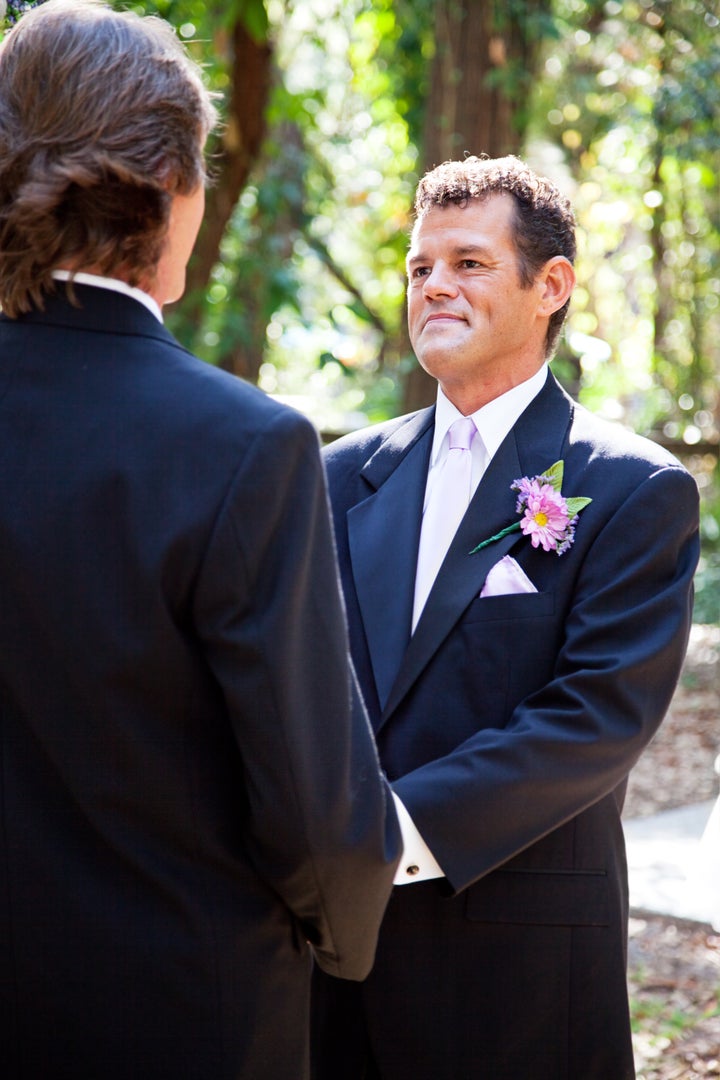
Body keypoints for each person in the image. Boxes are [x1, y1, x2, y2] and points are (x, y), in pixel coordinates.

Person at [0, 3, 400, 1077]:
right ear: (171, 184)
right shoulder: (245, 447)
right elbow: (319, 815)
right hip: (180, 1014)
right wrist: (345, 939)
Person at [312, 155, 700, 1080]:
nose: (434, 285)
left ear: (550, 286)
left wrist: (380, 835)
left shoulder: (632, 487)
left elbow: (595, 718)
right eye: (419, 268)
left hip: (519, 972)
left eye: (469, 263)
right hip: (336, 969)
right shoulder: (339, 474)